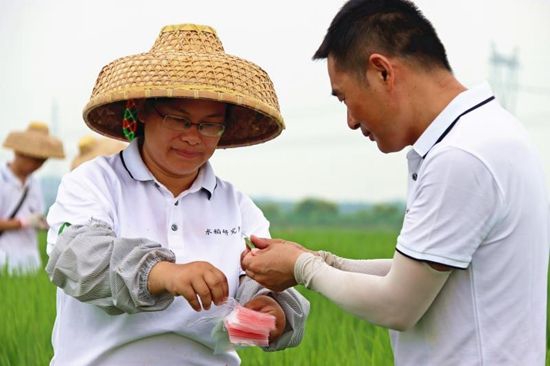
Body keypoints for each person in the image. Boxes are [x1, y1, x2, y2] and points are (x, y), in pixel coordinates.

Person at [241, 1, 550, 365]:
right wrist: (321, 260)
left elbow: (398, 304)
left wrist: (303, 268)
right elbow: (413, 277)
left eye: (345, 98)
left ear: (382, 72)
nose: (351, 121)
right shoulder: (487, 134)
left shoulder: (461, 156)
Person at [45, 24, 309, 365]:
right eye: (179, 120)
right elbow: (76, 259)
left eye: (209, 125)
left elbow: (258, 276)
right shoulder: (94, 183)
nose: (193, 137)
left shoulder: (236, 206)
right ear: (142, 111)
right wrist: (165, 274)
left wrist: (269, 307)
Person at [0, 121, 65, 274]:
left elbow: (36, 214)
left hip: (30, 261)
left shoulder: (34, 183)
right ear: (18, 152)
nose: (38, 165)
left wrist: (43, 223)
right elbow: (26, 221)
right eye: (35, 159)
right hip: (3, 259)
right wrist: (23, 222)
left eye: (43, 161)